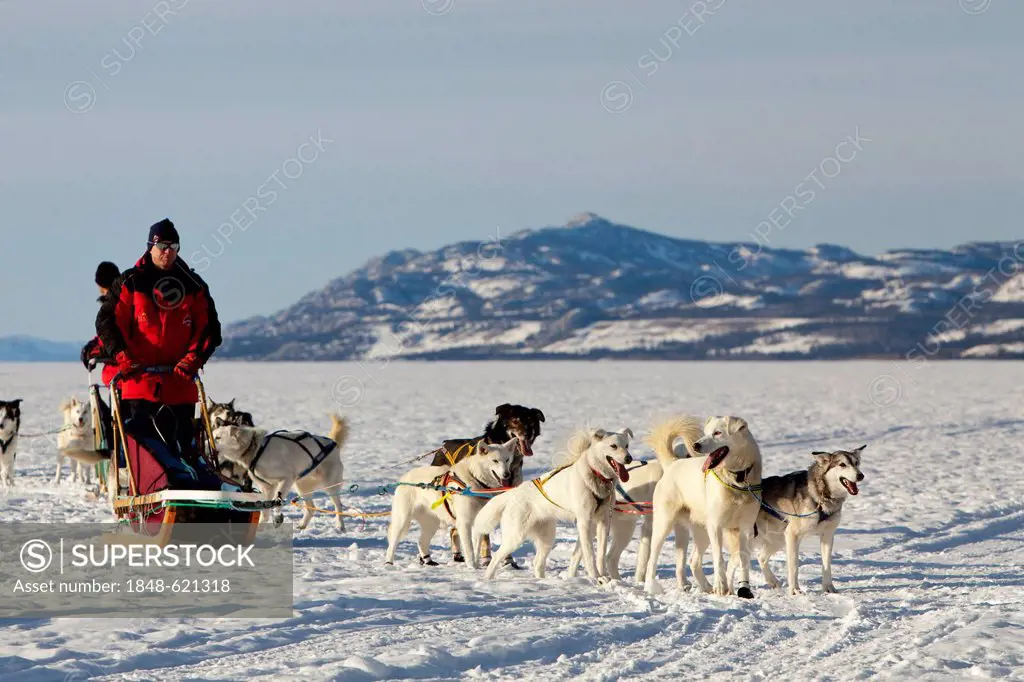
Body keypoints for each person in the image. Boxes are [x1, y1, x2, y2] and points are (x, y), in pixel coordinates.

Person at [96, 219, 222, 485]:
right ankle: (147, 494)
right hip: (139, 382)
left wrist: (192, 360)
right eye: (162, 246)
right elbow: (107, 322)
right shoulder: (130, 282)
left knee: (184, 445)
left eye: (173, 246)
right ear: (150, 247)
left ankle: (194, 493)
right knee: (145, 447)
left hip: (180, 383)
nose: (168, 252)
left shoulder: (193, 284)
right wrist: (122, 357)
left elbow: (209, 329)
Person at [80, 261, 121, 452]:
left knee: (119, 425)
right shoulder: (129, 300)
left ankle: (120, 460)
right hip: (124, 377)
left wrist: (93, 351)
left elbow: (110, 339)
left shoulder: (114, 306)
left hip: (121, 378)